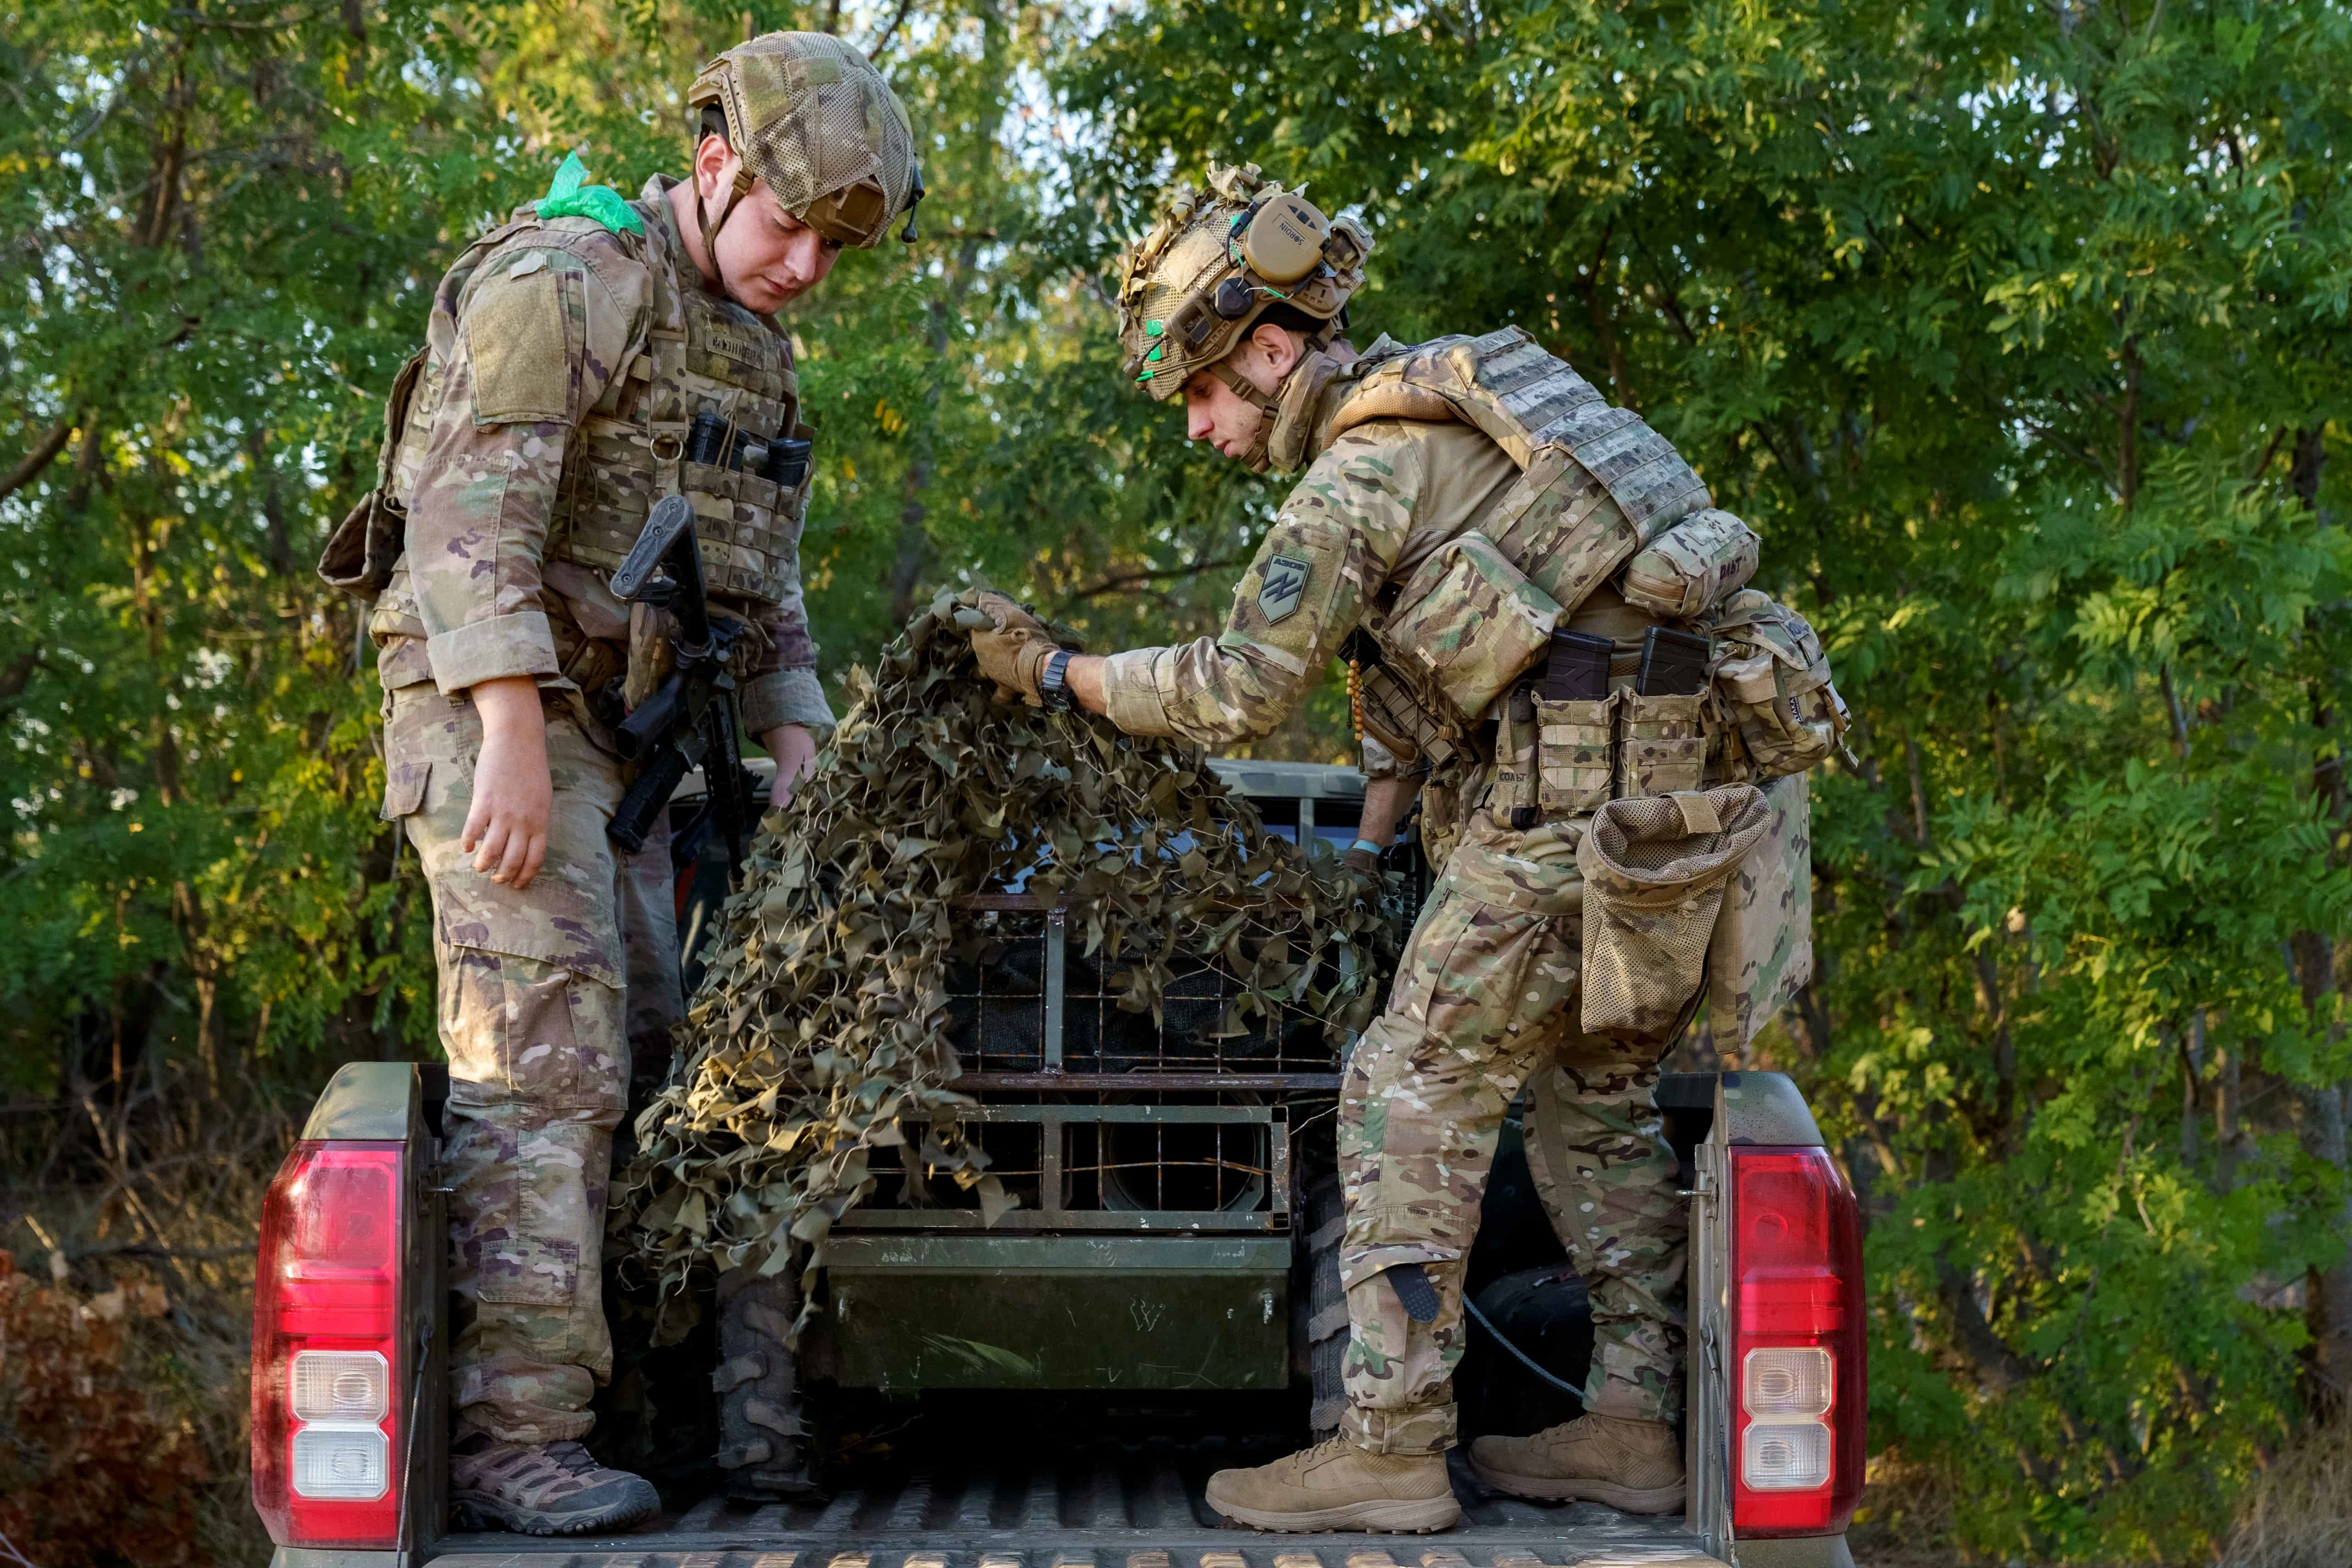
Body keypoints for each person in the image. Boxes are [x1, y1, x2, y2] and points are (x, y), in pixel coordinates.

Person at [964, 163, 1842, 1533]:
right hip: (1670, 833)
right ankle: (1631, 1422)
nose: (1198, 426)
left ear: (1269, 347)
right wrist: (1374, 852)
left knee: (1402, 1091)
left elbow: (1236, 690)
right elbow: (1439, 679)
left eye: (1203, 390)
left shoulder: (1360, 468)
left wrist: (1057, 670)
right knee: (1590, 1100)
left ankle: (1386, 1444)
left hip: (1561, 828)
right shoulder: (1476, 408)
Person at [334, 33, 921, 1536]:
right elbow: (468, 526)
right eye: (785, 227)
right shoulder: (567, 278)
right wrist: (516, 734)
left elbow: (763, 582)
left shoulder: (758, 351)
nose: (801, 267)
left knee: (664, 1056)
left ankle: (643, 1416)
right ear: (715, 168)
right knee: (545, 1056)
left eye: (829, 248)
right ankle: (509, 1434)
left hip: (632, 725)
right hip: (491, 701)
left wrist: (799, 733)